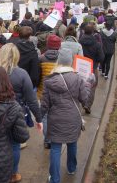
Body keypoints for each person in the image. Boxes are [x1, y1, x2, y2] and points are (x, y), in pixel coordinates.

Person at [0, 44, 42, 182]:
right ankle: (13, 173)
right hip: (15, 113)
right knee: (14, 145)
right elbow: (32, 100)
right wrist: (39, 118)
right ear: (16, 56)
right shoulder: (21, 74)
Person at [41, 48, 92, 183]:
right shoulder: (78, 78)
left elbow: (45, 104)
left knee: (56, 148)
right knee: (72, 143)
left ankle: (54, 178)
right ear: (70, 61)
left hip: (55, 118)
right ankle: (71, 168)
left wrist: (39, 118)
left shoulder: (49, 80)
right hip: (73, 117)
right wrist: (88, 85)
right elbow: (84, 99)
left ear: (59, 61)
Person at [79, 23, 104, 114]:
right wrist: (95, 62)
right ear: (93, 32)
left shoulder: (79, 42)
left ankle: (82, 102)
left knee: (80, 85)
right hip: (92, 67)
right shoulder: (97, 44)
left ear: (84, 31)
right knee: (92, 87)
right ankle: (88, 105)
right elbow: (101, 57)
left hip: (80, 66)